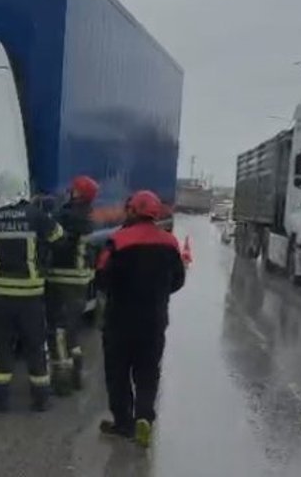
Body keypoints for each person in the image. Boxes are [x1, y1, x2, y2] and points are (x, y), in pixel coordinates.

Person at [95, 190, 185, 448]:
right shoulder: (169, 243)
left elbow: (102, 277)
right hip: (154, 320)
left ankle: (123, 423)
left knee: (118, 373)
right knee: (147, 372)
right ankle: (144, 417)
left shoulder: (118, 240)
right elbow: (178, 279)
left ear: (133, 210)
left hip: (119, 320)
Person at [0, 171, 64, 413]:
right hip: (31, 296)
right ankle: (41, 398)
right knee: (35, 345)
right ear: (22, 190)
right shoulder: (35, 215)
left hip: (0, 295)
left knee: (1, 348)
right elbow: (59, 237)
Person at [45, 175, 99, 394]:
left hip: (63, 277)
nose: (70, 191)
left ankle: (63, 379)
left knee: (57, 329)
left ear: (79, 194)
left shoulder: (70, 216)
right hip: (79, 280)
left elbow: (51, 226)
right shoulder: (84, 215)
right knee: (72, 331)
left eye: (73, 190)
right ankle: (76, 374)